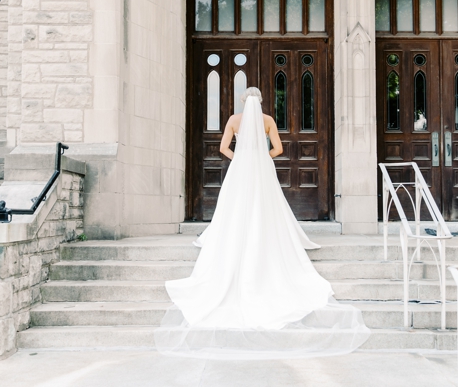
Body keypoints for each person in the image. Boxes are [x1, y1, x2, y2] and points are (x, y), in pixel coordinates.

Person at [156, 87, 370, 359]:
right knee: (264, 204)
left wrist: (243, 157)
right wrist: (259, 157)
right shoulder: (268, 121)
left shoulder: (234, 120)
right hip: (260, 169)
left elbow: (223, 148)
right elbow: (278, 149)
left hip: (241, 170)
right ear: (261, 102)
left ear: (244, 102)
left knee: (235, 206)